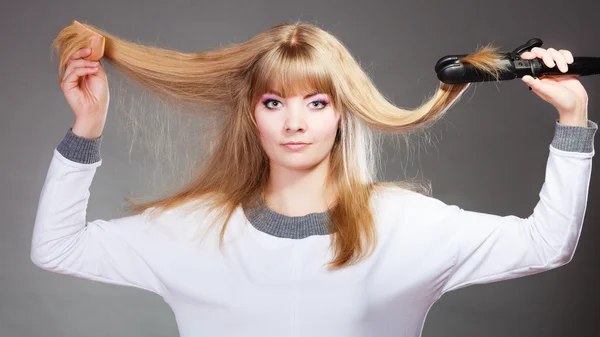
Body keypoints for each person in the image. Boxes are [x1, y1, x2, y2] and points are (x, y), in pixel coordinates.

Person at [31, 21, 596, 337]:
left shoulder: (404, 224)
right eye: (274, 102)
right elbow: (56, 249)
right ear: (251, 114)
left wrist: (572, 118)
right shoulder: (193, 228)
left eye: (317, 102)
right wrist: (88, 126)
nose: (295, 122)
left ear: (342, 113)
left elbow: (545, 245)